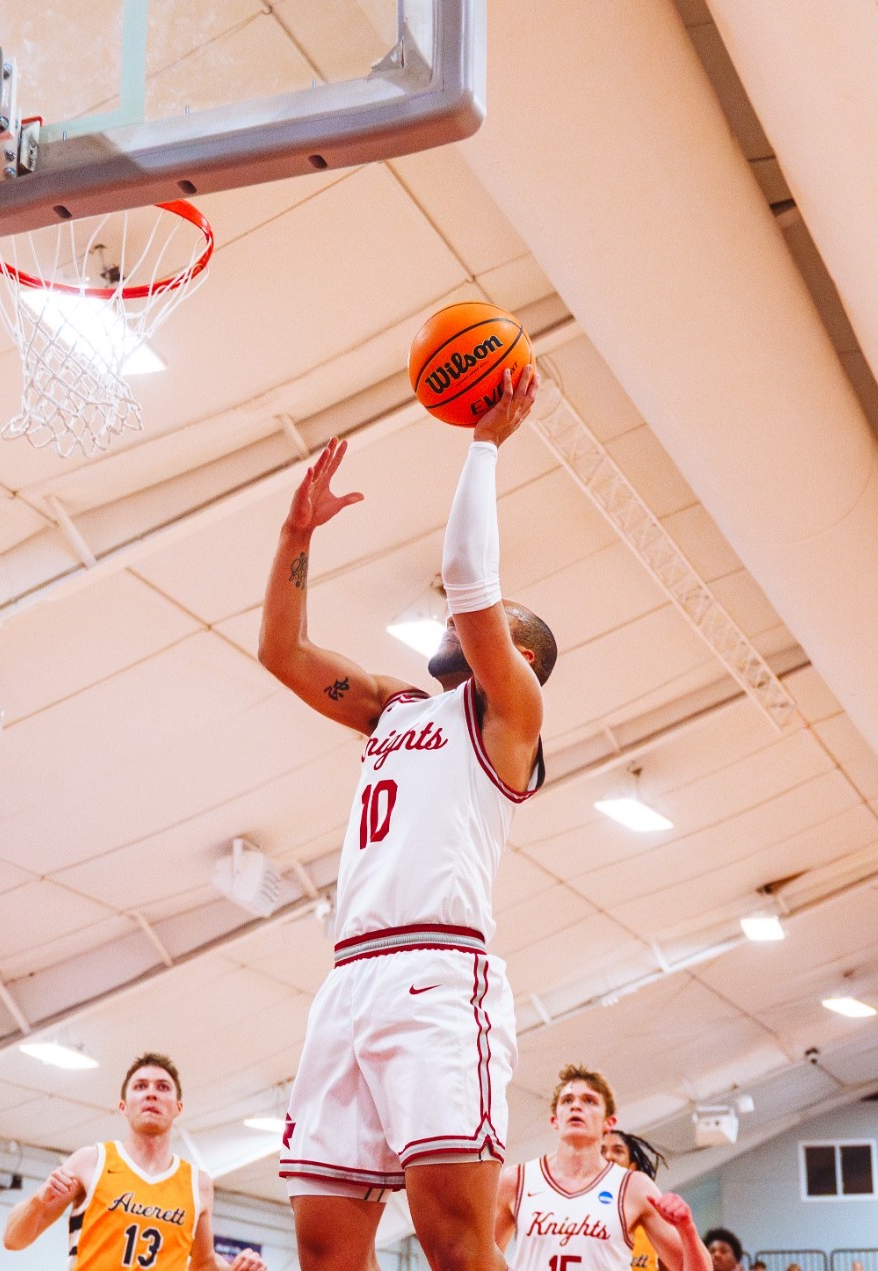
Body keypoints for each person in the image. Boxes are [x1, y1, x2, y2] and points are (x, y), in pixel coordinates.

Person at [261, 366, 556, 1271]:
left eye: (501, 627)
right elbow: (283, 650)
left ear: (524, 658)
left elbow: (469, 581)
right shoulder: (393, 707)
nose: (471, 622)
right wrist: (295, 533)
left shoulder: (509, 716)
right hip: (350, 979)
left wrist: (483, 445)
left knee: (457, 1245)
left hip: (437, 975)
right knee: (323, 1248)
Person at [1, 1054, 265, 1271]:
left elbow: (203, 1264)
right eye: (140, 1086)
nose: (152, 1094)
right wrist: (39, 1200)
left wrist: (238, 1269)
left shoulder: (198, 1183)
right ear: (123, 1106)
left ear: (178, 1107)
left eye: (163, 1087)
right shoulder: (90, 1161)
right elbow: (13, 1239)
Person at [497, 1065, 710, 1271]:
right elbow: (476, 1257)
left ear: (609, 1122)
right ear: (554, 1120)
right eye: (567, 1100)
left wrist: (687, 1229)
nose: (576, 1106)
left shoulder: (634, 1187)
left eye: (589, 1101)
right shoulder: (517, 1179)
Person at [601, 1129, 670, 1271]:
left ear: (632, 1167)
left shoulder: (650, 1210)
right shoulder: (576, 1210)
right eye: (601, 1151)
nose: (608, 1156)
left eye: (618, 1151)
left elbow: (675, 1263)